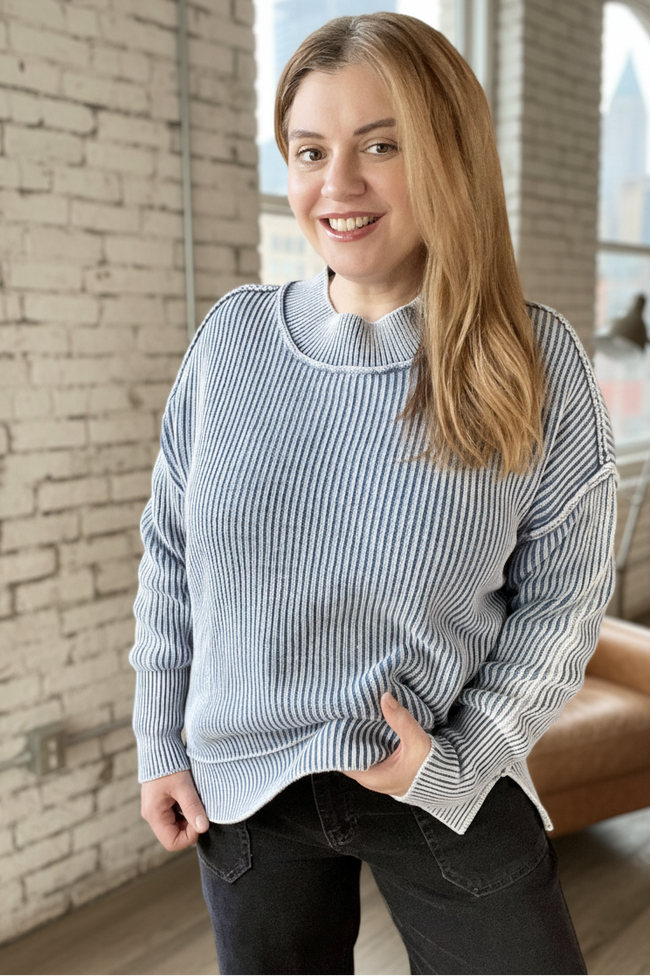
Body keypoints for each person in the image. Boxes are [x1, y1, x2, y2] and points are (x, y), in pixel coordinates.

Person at [130, 12, 616, 976]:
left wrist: (462, 759)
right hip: (246, 789)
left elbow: (565, 597)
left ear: (449, 157)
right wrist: (159, 737)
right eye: (310, 151)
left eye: (380, 146)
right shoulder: (232, 342)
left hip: (438, 779)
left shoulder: (532, 357)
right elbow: (172, 554)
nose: (337, 186)